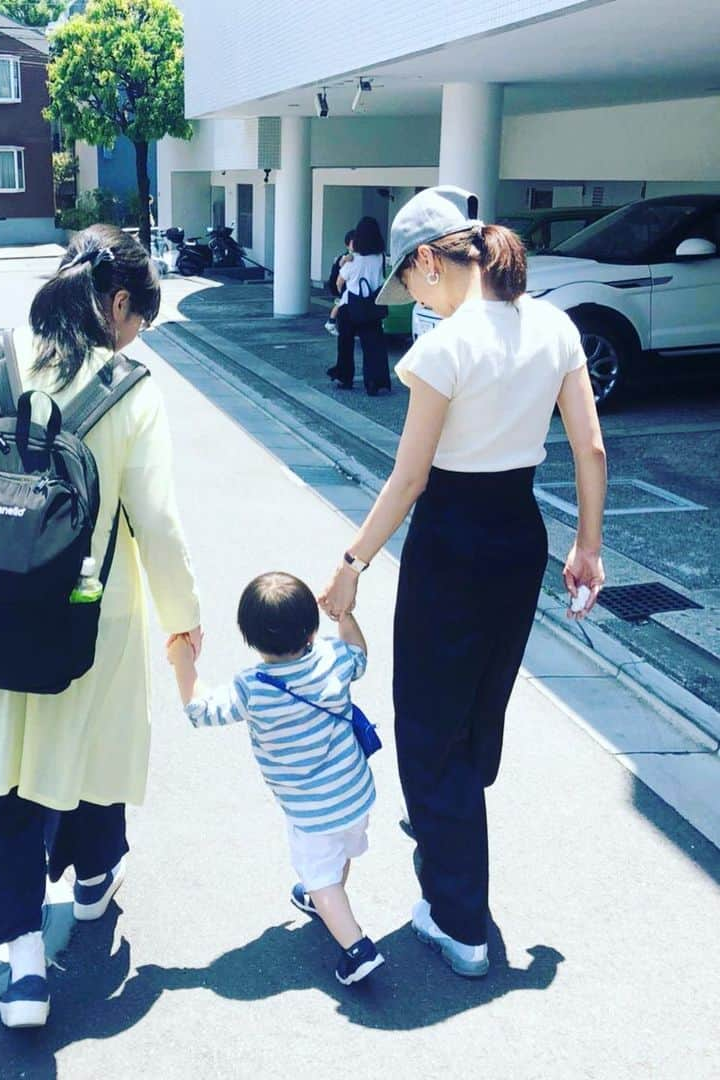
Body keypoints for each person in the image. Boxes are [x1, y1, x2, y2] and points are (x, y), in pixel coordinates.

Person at [0, 224, 202, 1029]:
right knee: (84, 750)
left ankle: (25, 971)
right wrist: (185, 622)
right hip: (88, 612)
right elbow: (158, 523)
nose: (138, 338)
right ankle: (96, 886)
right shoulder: (133, 388)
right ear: (121, 302)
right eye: (141, 323)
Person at [319, 186, 607, 979]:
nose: (410, 297)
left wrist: (350, 566)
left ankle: (459, 923)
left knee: (428, 726)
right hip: (521, 535)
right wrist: (589, 547)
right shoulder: (554, 325)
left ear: (426, 261)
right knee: (479, 707)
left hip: (451, 541)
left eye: (408, 283)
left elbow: (409, 480)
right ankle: (452, 839)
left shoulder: (447, 345)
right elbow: (590, 449)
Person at [165, 572, 383, 987]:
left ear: (250, 639)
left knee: (318, 875)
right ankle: (327, 902)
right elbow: (360, 653)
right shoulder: (333, 657)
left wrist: (183, 661)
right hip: (355, 795)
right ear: (312, 628)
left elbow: (201, 710)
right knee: (335, 861)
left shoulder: (253, 688)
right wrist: (346, 615)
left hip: (311, 812)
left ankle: (358, 950)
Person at [327, 216, 392, 395]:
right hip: (372, 307)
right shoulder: (380, 258)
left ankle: (345, 378)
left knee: (345, 344)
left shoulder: (352, 260)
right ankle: (374, 382)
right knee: (373, 346)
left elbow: (339, 283)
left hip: (350, 306)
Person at [323, 230, 354, 337]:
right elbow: (340, 273)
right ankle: (331, 322)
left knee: (340, 305)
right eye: (353, 244)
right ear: (347, 245)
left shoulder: (350, 256)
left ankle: (331, 322)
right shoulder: (347, 257)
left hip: (342, 286)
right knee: (340, 304)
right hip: (341, 286)